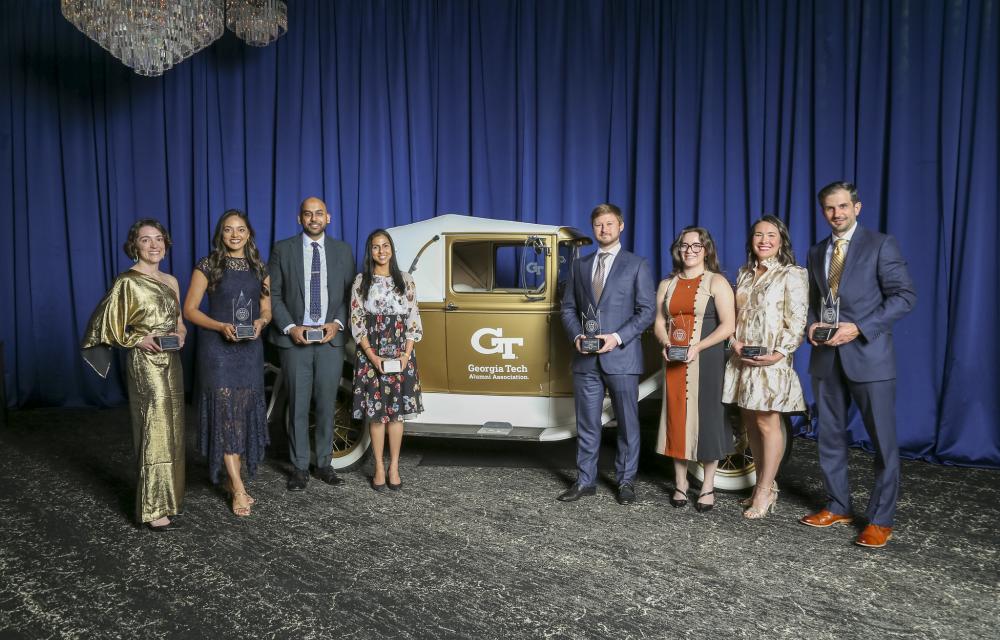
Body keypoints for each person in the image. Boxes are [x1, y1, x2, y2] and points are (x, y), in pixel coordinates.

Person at [800, 182, 916, 548]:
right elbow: (812, 302)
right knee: (829, 437)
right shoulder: (817, 251)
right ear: (824, 212)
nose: (837, 214)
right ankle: (838, 505)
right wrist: (810, 325)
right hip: (826, 357)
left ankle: (881, 520)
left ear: (857, 207)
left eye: (843, 206)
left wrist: (859, 327)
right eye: (830, 209)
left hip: (869, 357)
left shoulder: (881, 245)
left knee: (883, 443)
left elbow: (904, 296)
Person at [80, 219, 186, 531]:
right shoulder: (127, 281)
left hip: (172, 361)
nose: (154, 245)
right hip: (145, 362)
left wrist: (181, 335)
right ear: (134, 246)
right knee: (153, 429)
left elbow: (179, 322)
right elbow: (107, 324)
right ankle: (152, 508)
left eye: (158, 239)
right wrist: (138, 339)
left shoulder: (171, 280)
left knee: (174, 428)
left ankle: (169, 499)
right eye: (145, 240)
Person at [558, 203, 656, 505]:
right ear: (593, 227)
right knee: (587, 423)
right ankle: (585, 481)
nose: (605, 229)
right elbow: (568, 308)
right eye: (599, 224)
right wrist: (576, 336)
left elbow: (647, 311)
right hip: (585, 359)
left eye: (610, 224)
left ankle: (626, 482)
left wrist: (616, 338)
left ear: (621, 226)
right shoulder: (579, 265)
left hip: (622, 358)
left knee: (627, 423)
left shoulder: (636, 264)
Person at [183, 210, 271, 517]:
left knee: (241, 416)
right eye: (228, 230)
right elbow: (190, 311)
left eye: (241, 229)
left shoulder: (260, 267)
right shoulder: (208, 265)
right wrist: (220, 327)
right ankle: (237, 487)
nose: (235, 235)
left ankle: (235, 479)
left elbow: (267, 309)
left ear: (249, 233)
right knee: (225, 416)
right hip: (217, 351)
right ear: (220, 234)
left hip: (249, 349)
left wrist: (261, 322)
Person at [723, 215, 808, 519]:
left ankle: (766, 489)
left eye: (771, 235)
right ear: (751, 240)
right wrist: (733, 342)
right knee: (750, 424)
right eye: (758, 235)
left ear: (781, 240)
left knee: (767, 423)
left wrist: (779, 353)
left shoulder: (792, 274)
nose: (764, 240)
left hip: (771, 361)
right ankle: (761, 483)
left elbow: (797, 321)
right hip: (743, 358)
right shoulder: (744, 273)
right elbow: (733, 316)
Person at [268, 197, 356, 491]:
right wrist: (291, 328)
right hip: (296, 342)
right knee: (298, 405)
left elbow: (348, 296)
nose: (313, 218)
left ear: (328, 218)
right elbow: (274, 296)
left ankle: (325, 464)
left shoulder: (343, 251)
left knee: (327, 403)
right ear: (300, 218)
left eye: (319, 213)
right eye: (308, 214)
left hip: (331, 341)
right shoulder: (283, 249)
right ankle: (299, 466)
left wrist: (337, 324)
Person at [653, 227, 736, 513]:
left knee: (708, 419)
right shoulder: (667, 284)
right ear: (678, 249)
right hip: (674, 360)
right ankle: (680, 483)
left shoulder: (718, 282)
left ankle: (708, 485)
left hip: (708, 359)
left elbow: (728, 326)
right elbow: (659, 322)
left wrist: (698, 347)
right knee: (676, 417)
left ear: (706, 249)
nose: (690, 250)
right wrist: (665, 343)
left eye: (696, 246)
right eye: (685, 245)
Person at [349, 229, 423, 492]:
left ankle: (394, 466)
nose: (381, 251)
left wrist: (405, 355)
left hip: (401, 351)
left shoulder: (406, 280)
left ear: (392, 249)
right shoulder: (361, 281)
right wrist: (371, 355)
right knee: (377, 414)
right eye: (375, 247)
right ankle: (379, 465)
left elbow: (413, 319)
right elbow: (357, 321)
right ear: (370, 252)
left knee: (396, 414)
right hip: (372, 350)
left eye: (385, 246)